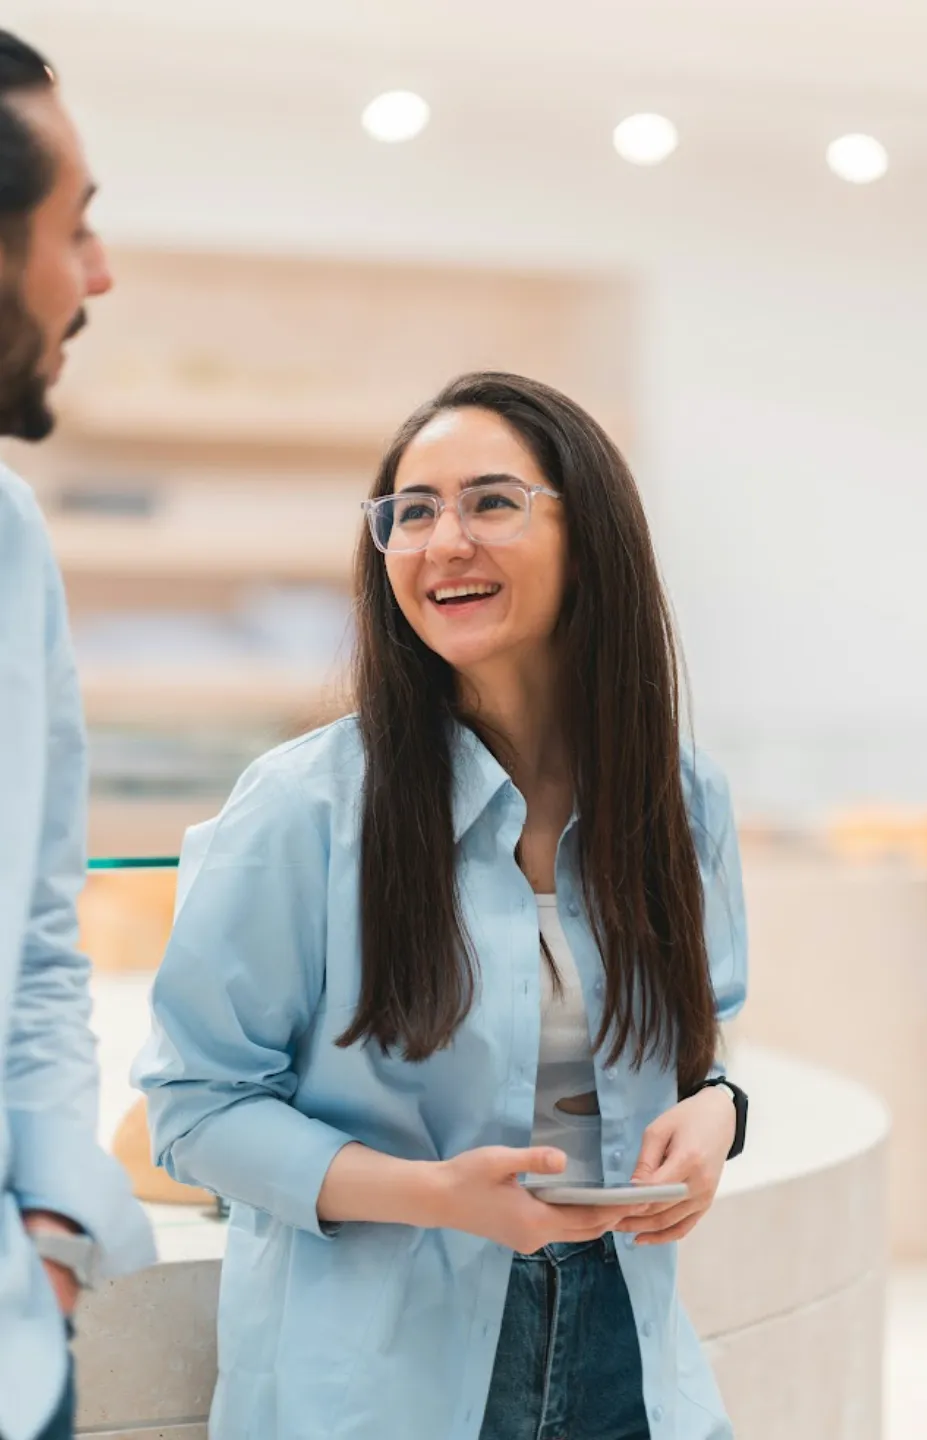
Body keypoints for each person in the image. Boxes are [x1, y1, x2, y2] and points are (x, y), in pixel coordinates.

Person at [137, 371, 748, 1440]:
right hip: (388, 1382)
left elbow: (707, 1048)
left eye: (490, 502)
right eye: (410, 511)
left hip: (630, 1355)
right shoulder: (301, 810)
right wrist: (437, 1196)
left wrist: (724, 1113)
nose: (441, 541)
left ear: (589, 532)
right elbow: (194, 1111)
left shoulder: (680, 796)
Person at [0, 32, 154, 1440]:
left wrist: (51, 1231)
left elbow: (41, 937)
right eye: (73, 225)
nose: (96, 274)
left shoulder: (11, 539)